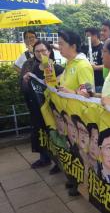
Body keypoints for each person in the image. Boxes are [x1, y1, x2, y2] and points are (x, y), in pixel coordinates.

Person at [22, 41, 64, 174]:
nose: (41, 54)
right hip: (39, 109)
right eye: (37, 51)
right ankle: (45, 158)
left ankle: (60, 162)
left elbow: (61, 89)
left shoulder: (57, 69)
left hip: (53, 110)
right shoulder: (33, 69)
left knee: (55, 136)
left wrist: (52, 81)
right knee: (42, 134)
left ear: (50, 51)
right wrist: (27, 79)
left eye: (43, 50)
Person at [56, 30, 94, 96]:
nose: (59, 47)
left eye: (61, 44)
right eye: (58, 44)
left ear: (73, 46)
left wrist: (72, 92)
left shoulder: (83, 66)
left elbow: (88, 93)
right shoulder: (69, 62)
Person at [83, 28, 104, 93]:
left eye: (88, 36)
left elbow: (108, 66)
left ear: (95, 36)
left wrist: (96, 67)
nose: (87, 38)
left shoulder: (103, 48)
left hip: (99, 83)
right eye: (86, 36)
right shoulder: (87, 48)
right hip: (89, 82)